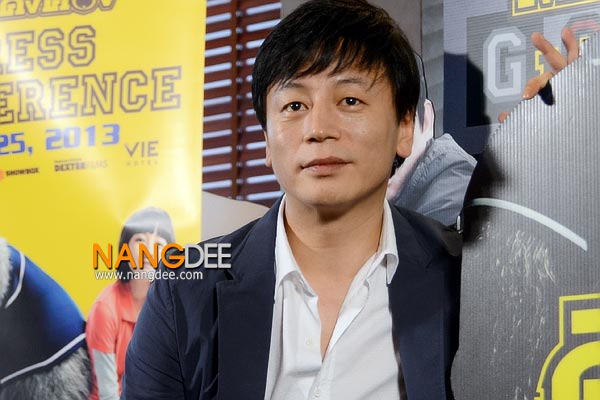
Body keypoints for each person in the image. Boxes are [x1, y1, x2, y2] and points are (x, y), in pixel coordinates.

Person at [122, 2, 579, 400]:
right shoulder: (185, 292)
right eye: (294, 106)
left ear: (405, 128)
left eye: (350, 100)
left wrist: (576, 136)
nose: (318, 128)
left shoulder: (464, 280)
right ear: (266, 142)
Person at [85, 207, 174, 400]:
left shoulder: (170, 307)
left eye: (158, 244)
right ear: (125, 248)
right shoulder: (105, 308)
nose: (148, 251)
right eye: (140, 240)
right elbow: (107, 393)